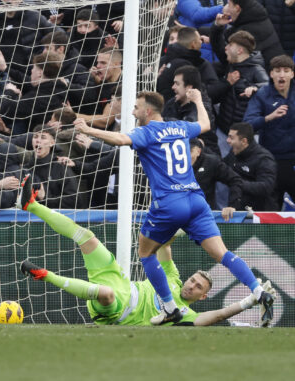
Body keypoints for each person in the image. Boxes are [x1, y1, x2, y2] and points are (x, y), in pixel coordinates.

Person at [74, 90, 274, 326]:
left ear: (148, 111)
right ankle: (259, 291)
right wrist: (199, 99)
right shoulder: (180, 127)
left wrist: (88, 130)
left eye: (136, 108)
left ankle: (169, 307)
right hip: (196, 200)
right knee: (223, 254)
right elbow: (206, 123)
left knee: (146, 254)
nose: (132, 112)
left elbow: (119, 140)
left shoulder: (146, 132)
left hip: (169, 203)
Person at [18, 178, 277, 326]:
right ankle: (31, 205)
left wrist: (247, 303)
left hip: (117, 309)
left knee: (106, 294)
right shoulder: (172, 277)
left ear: (203, 296)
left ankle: (45, 276)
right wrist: (190, 228)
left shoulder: (185, 314)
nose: (191, 285)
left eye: (198, 287)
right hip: (117, 278)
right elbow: (164, 244)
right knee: (85, 237)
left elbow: (218, 315)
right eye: (193, 280)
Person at [243, 55, 295, 211]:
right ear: (271, 74)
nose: (282, 75)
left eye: (286, 71)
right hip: (271, 161)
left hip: (293, 161)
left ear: (292, 74)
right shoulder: (262, 94)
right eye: (277, 71)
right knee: (271, 212)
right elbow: (248, 125)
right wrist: (268, 117)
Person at [214, 31, 269, 135]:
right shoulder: (231, 64)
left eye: (230, 45)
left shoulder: (256, 69)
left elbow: (268, 85)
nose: (226, 48)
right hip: (223, 130)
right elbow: (217, 45)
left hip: (244, 135)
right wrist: (217, 27)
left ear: (239, 50)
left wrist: (255, 87)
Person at [223, 122, 279, 212]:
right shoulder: (234, 153)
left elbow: (266, 187)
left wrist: (238, 183)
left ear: (244, 141)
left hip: (260, 214)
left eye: (231, 138)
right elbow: (220, 168)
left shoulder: (264, 159)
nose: (227, 140)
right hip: (238, 210)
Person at [210, 0, 283, 69]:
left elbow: (226, 58)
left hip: (263, 77)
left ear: (237, 8)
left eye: (229, 4)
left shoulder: (247, 30)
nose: (225, 8)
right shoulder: (255, 18)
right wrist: (218, 27)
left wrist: (217, 28)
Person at [189, 138, 243, 214]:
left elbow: (235, 180)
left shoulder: (211, 162)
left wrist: (232, 205)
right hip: (178, 213)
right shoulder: (172, 163)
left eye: (189, 152)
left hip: (205, 215)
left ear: (198, 151)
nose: (185, 156)